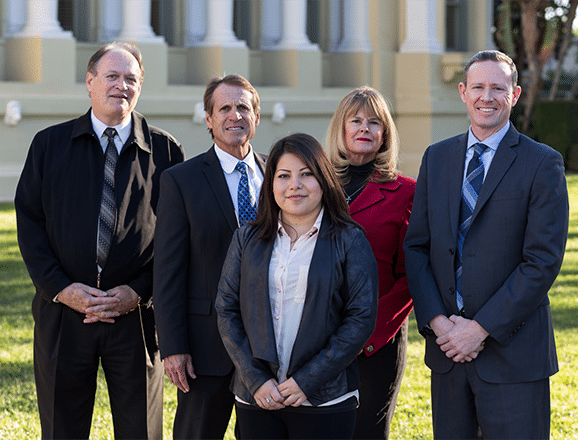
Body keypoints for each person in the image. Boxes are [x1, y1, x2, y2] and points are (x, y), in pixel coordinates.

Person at [14, 42, 184, 439]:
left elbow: (177, 239)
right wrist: (61, 289)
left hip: (136, 317)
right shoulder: (49, 145)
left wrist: (138, 292)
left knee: (141, 430)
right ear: (90, 81)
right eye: (112, 76)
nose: (121, 86)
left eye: (131, 79)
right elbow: (30, 223)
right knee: (62, 429)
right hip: (63, 314)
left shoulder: (165, 150)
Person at [403, 50, 569, 439]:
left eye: (498, 88)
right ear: (463, 92)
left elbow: (541, 261)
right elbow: (417, 248)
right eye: (478, 87)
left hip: (514, 356)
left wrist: (479, 329)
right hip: (447, 351)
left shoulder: (542, 163)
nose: (487, 97)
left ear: (515, 94)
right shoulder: (436, 158)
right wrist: (439, 323)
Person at [215, 132, 378, 440]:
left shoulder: (350, 239)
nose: (295, 185)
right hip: (258, 398)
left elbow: (361, 319)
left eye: (307, 174)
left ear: (324, 180)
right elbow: (226, 310)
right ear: (271, 183)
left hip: (324, 399)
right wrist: (256, 379)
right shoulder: (246, 239)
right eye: (284, 176)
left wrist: (307, 381)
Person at [153, 74, 266, 439]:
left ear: (256, 117)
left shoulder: (280, 175)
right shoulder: (181, 180)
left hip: (269, 346)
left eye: (243, 107)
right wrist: (173, 347)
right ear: (209, 118)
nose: (235, 115)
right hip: (205, 348)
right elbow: (167, 271)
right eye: (225, 108)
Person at [326, 86, 415, 439]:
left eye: (374, 122)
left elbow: (412, 275)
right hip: (318, 342)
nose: (365, 127)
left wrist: (366, 332)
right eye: (356, 120)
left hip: (376, 342)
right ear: (341, 127)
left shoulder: (407, 192)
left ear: (385, 134)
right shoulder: (315, 186)